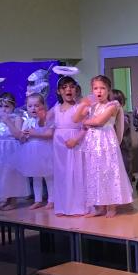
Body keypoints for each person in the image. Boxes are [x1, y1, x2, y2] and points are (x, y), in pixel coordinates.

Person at [75, 75, 134, 218]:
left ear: (108, 90)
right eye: (95, 88)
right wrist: (83, 105)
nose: (99, 91)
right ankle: (100, 206)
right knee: (95, 172)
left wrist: (86, 122)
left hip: (106, 140)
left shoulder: (113, 105)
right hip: (92, 142)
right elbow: (76, 119)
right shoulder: (93, 106)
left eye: (102, 88)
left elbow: (99, 122)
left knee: (108, 170)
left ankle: (111, 206)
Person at [47, 68, 87, 216]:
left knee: (75, 173)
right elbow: (44, 121)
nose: (68, 90)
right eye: (64, 87)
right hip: (59, 146)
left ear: (76, 89)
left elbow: (86, 127)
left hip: (75, 142)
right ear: (59, 91)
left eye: (71, 87)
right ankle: (63, 206)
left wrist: (76, 139)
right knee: (62, 174)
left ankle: (78, 206)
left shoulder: (79, 107)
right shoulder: (56, 108)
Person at [13, 93, 54, 210]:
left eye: (36, 105)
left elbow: (49, 135)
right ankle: (37, 200)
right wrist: (24, 136)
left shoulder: (46, 120)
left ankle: (52, 200)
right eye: (30, 106)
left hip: (44, 150)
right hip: (31, 152)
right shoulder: (27, 121)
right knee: (36, 177)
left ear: (43, 106)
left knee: (48, 176)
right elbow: (23, 137)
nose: (33, 108)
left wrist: (34, 133)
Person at [111, 89, 133, 180]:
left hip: (123, 147)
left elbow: (123, 127)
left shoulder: (124, 115)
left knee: (125, 167)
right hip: (112, 147)